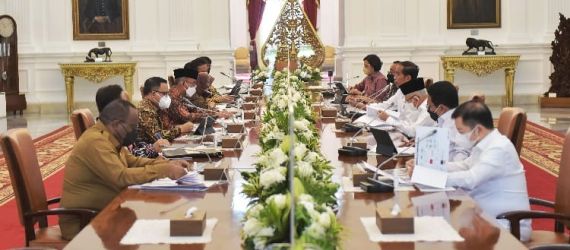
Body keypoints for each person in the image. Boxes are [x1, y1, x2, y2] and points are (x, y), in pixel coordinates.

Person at [60, 99, 190, 240]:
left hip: (109, 211)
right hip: (86, 221)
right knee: (157, 229)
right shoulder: (96, 141)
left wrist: (166, 164)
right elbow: (121, 177)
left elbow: (133, 161)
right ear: (116, 124)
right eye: (133, 126)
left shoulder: (110, 136)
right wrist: (164, 171)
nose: (135, 130)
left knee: (161, 219)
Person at [407, 100, 532, 241]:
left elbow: (471, 179)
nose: (456, 137)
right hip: (482, 219)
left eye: (460, 131)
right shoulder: (486, 143)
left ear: (477, 129)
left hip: (505, 224)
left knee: (437, 234)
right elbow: (465, 165)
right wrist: (428, 166)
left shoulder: (499, 148)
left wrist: (429, 176)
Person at [95, 84, 169, 158]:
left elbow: (133, 152)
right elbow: (127, 164)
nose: (129, 108)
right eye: (125, 104)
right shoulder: (101, 139)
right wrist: (153, 149)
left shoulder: (118, 126)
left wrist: (155, 157)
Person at [137, 77, 194, 143]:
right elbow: (157, 136)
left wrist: (178, 127)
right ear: (153, 94)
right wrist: (180, 129)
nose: (167, 97)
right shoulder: (145, 110)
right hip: (146, 149)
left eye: (167, 93)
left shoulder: (156, 106)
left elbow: (164, 128)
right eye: (164, 94)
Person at [426, 81, 471, 161]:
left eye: (430, 106)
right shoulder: (442, 120)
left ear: (441, 108)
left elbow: (461, 156)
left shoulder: (460, 123)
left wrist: (444, 168)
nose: (429, 109)